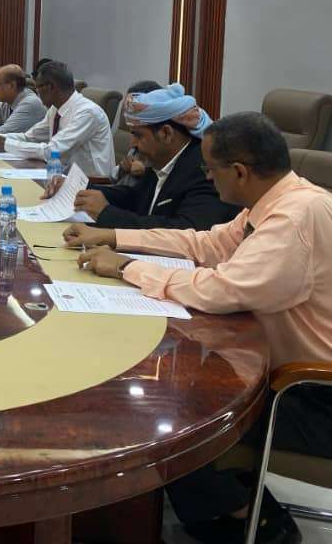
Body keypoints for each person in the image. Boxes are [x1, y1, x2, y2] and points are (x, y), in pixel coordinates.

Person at [68, 112, 332, 544]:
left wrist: (128, 268)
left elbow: (225, 289)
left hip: (312, 396)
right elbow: (206, 244)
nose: (207, 178)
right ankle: (222, 500)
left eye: (210, 169)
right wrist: (115, 236)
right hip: (279, 374)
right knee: (173, 392)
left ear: (240, 172)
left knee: (175, 417)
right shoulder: (276, 202)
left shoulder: (294, 217)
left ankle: (251, 521)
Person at [71, 84, 240, 231]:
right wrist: (80, 189)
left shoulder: (206, 170)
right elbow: (135, 197)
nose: (132, 144)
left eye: (138, 135)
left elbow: (184, 230)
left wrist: (106, 214)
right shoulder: (160, 159)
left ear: (166, 133)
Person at [0, 61, 115, 178]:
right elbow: (29, 137)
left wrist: (2, 142)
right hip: (61, 177)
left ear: (51, 87)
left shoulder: (87, 113)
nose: (36, 93)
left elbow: (51, 151)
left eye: (37, 87)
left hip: (91, 185)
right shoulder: (55, 109)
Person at [112, 80, 162, 186]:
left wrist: (146, 173)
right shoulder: (137, 145)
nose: (132, 143)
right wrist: (122, 169)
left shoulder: (162, 149)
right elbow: (113, 177)